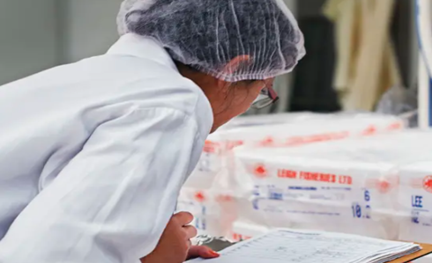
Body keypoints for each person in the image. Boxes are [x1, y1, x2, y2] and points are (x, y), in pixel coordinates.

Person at [0, 0, 304, 262]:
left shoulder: (92, 79)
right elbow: (54, 257)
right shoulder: (171, 106)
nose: (255, 101)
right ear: (234, 70)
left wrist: (135, 250)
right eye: (263, 89)